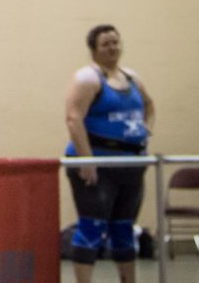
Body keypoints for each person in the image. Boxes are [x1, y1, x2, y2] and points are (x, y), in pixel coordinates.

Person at [64, 24, 155, 283]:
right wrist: (87, 159)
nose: (113, 47)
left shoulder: (132, 78)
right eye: (106, 43)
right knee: (92, 227)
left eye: (116, 42)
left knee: (124, 228)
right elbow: (73, 119)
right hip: (97, 166)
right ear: (93, 48)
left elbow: (149, 104)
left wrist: (144, 131)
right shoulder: (88, 79)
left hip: (130, 165)